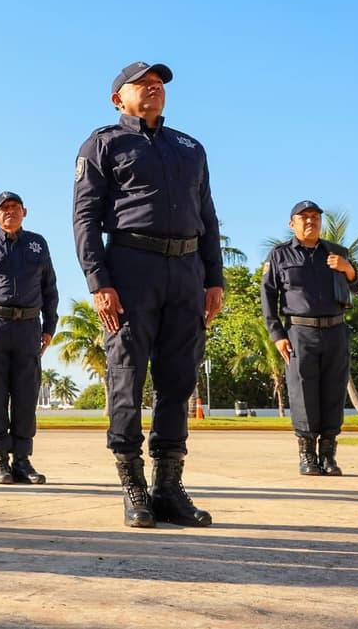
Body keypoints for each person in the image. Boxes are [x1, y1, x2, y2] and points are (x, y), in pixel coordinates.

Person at [72, 61, 223, 528]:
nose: (154, 87)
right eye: (142, 83)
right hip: (131, 269)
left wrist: (213, 279)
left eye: (158, 83)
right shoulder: (103, 143)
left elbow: (209, 218)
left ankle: (168, 486)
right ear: (118, 98)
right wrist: (100, 283)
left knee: (179, 382)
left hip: (186, 271)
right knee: (127, 377)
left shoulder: (190, 147)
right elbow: (84, 220)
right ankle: (133, 485)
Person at [261, 200, 358, 476]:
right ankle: (307, 455)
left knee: (333, 392)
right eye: (303, 217)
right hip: (299, 333)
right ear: (291, 223)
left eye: (315, 217)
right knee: (302, 392)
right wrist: (277, 335)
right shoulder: (280, 255)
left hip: (335, 330)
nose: (310, 221)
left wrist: (347, 268)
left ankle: (328, 456)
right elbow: (267, 297)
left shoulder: (336, 252)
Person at [0, 192, 59, 485]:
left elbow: (50, 288)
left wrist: (49, 327)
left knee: (25, 394)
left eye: (15, 208)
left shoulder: (37, 244)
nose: (10, 212)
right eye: (3, 209)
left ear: (25, 212)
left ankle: (22, 460)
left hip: (29, 326)